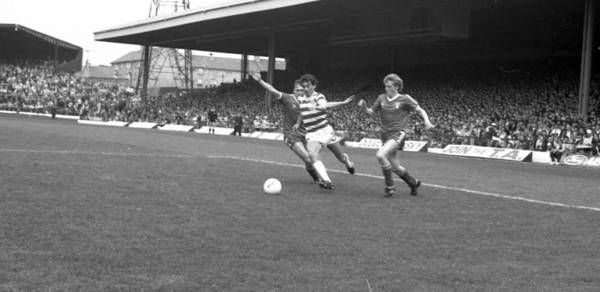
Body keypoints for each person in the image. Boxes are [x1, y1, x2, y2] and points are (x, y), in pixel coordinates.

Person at [358, 73, 434, 197]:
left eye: (389, 86)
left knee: (380, 155)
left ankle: (390, 187)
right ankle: (413, 183)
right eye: (385, 86)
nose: (386, 88)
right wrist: (364, 106)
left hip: (398, 134)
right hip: (385, 135)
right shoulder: (381, 98)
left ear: (396, 87)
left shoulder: (405, 98)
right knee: (395, 167)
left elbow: (420, 110)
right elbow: (371, 112)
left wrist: (427, 121)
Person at [250, 72, 320, 183]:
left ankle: (316, 178)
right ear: (293, 90)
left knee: (311, 160)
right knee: (308, 158)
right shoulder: (287, 98)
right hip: (292, 134)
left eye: (302, 90)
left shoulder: (310, 100)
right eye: (297, 90)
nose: (300, 92)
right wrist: (260, 81)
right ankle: (319, 179)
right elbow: (272, 90)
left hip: (307, 135)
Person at [296, 74, 356, 190]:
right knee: (312, 153)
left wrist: (315, 107)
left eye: (308, 86)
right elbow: (301, 112)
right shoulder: (301, 99)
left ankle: (347, 162)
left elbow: (324, 106)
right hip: (312, 134)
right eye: (303, 86)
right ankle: (327, 181)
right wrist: (298, 123)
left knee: (340, 158)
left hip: (325, 132)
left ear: (314, 86)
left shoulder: (319, 97)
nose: (305, 89)